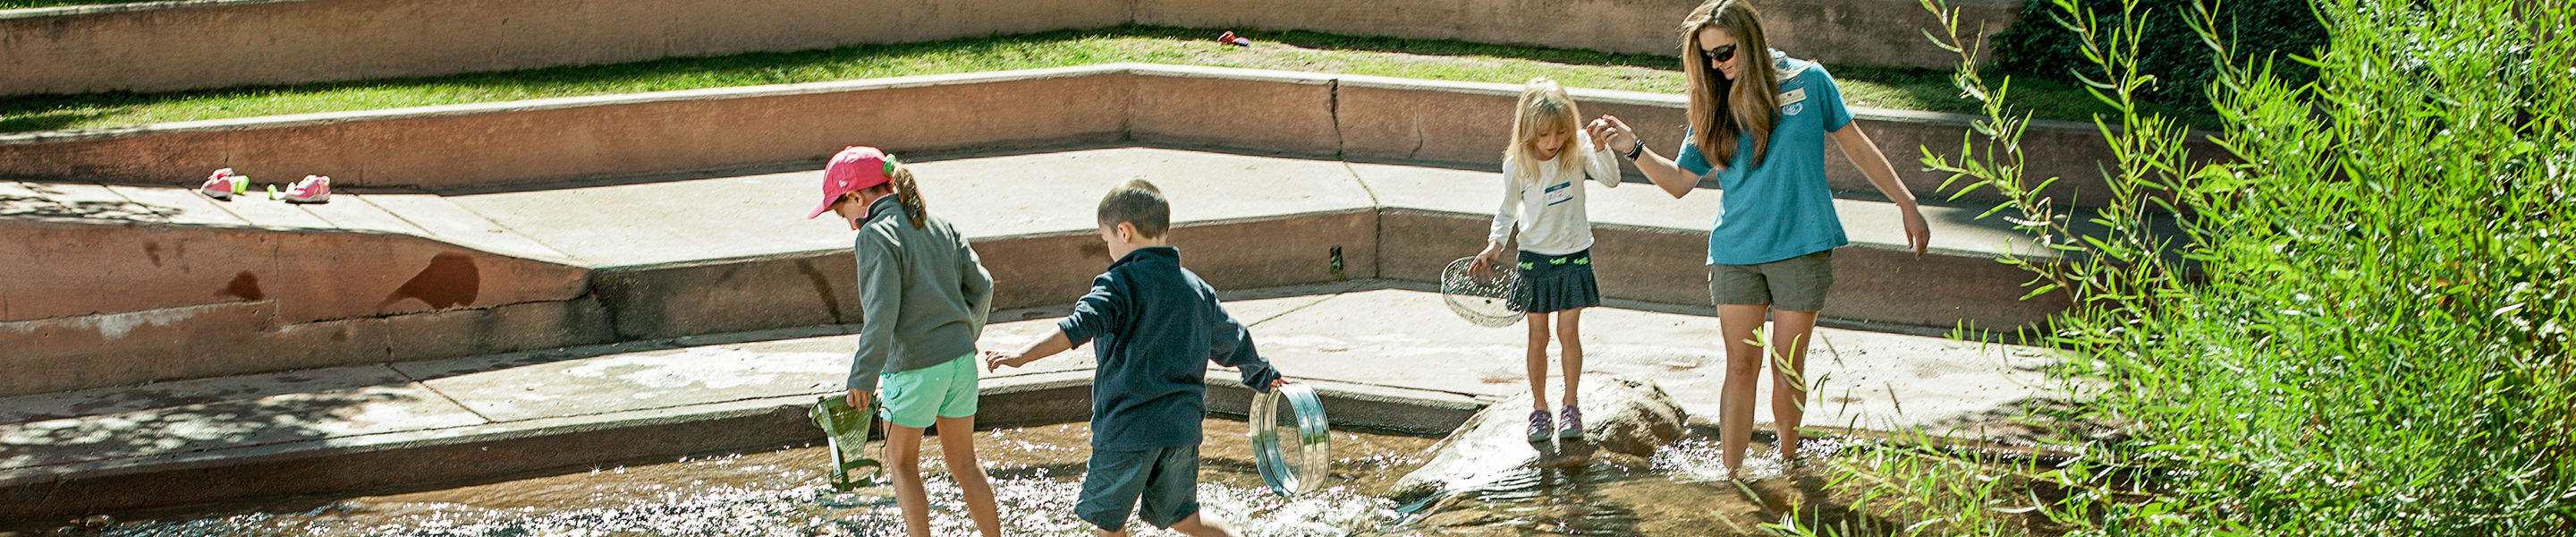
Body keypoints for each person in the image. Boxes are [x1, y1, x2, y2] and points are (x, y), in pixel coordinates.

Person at [1589, 0, 1932, 478]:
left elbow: (1856, 145)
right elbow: (1678, 182)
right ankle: (1732, 478)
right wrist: (1634, 147)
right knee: (1740, 367)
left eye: (1725, 52)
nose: (1717, 64)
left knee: (1788, 368)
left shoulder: (1810, 82)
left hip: (1802, 247)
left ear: (1749, 40)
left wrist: (1906, 202)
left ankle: (1789, 464)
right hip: (1736, 254)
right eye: (1708, 57)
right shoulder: (1714, 101)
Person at [984, 179, 1289, 537]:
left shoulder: (1117, 284)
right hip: (1180, 431)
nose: (1108, 247)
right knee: (1185, 518)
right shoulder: (1196, 289)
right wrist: (1263, 375)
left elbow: (1077, 327)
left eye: (1107, 239)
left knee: (1107, 526)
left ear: (1124, 232)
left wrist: (1021, 356)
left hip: (1127, 430)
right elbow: (1234, 340)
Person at [806, 146, 1003, 537]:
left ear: (857, 198)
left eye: (839, 210)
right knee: (964, 462)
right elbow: (983, 287)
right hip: (962, 362)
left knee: (900, 461)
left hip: (914, 367)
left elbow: (881, 315)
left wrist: (863, 377)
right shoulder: (940, 224)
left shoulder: (874, 236)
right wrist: (963, 335)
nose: (845, 222)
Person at [1470, 78, 1624, 443]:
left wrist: (1601, 147)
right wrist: (1495, 245)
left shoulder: (1579, 148)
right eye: (1544, 135)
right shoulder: (1517, 164)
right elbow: (1507, 212)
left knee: (1568, 332)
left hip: (1572, 255)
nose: (1553, 141)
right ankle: (1540, 408)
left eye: (1559, 132)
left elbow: (1612, 179)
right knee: (1537, 336)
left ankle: (1571, 404)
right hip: (1534, 259)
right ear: (1527, 132)